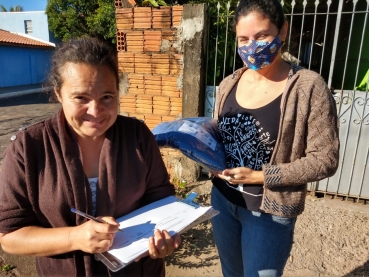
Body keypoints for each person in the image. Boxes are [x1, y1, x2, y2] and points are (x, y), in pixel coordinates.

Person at [0, 36, 180, 277]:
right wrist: (75, 237)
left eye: (107, 97)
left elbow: (162, 199)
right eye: (81, 98)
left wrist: (169, 234)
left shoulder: (137, 136)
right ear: (58, 93)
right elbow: (10, 236)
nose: (96, 112)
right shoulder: (28, 147)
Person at [210, 0, 340, 276]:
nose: (251, 46)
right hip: (223, 202)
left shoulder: (308, 87)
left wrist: (259, 177)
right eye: (243, 39)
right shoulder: (228, 84)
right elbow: (219, 138)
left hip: (269, 215)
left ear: (282, 31)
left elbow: (324, 160)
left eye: (261, 36)